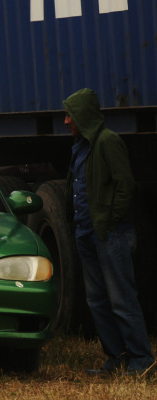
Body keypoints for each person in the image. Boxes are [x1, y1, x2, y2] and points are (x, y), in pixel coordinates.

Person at [64, 88, 155, 376]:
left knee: (121, 298)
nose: (66, 122)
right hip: (86, 233)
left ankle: (142, 361)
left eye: (70, 115)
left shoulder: (108, 142)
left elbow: (125, 185)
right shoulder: (80, 146)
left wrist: (108, 221)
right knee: (97, 300)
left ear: (83, 116)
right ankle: (116, 359)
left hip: (110, 234)